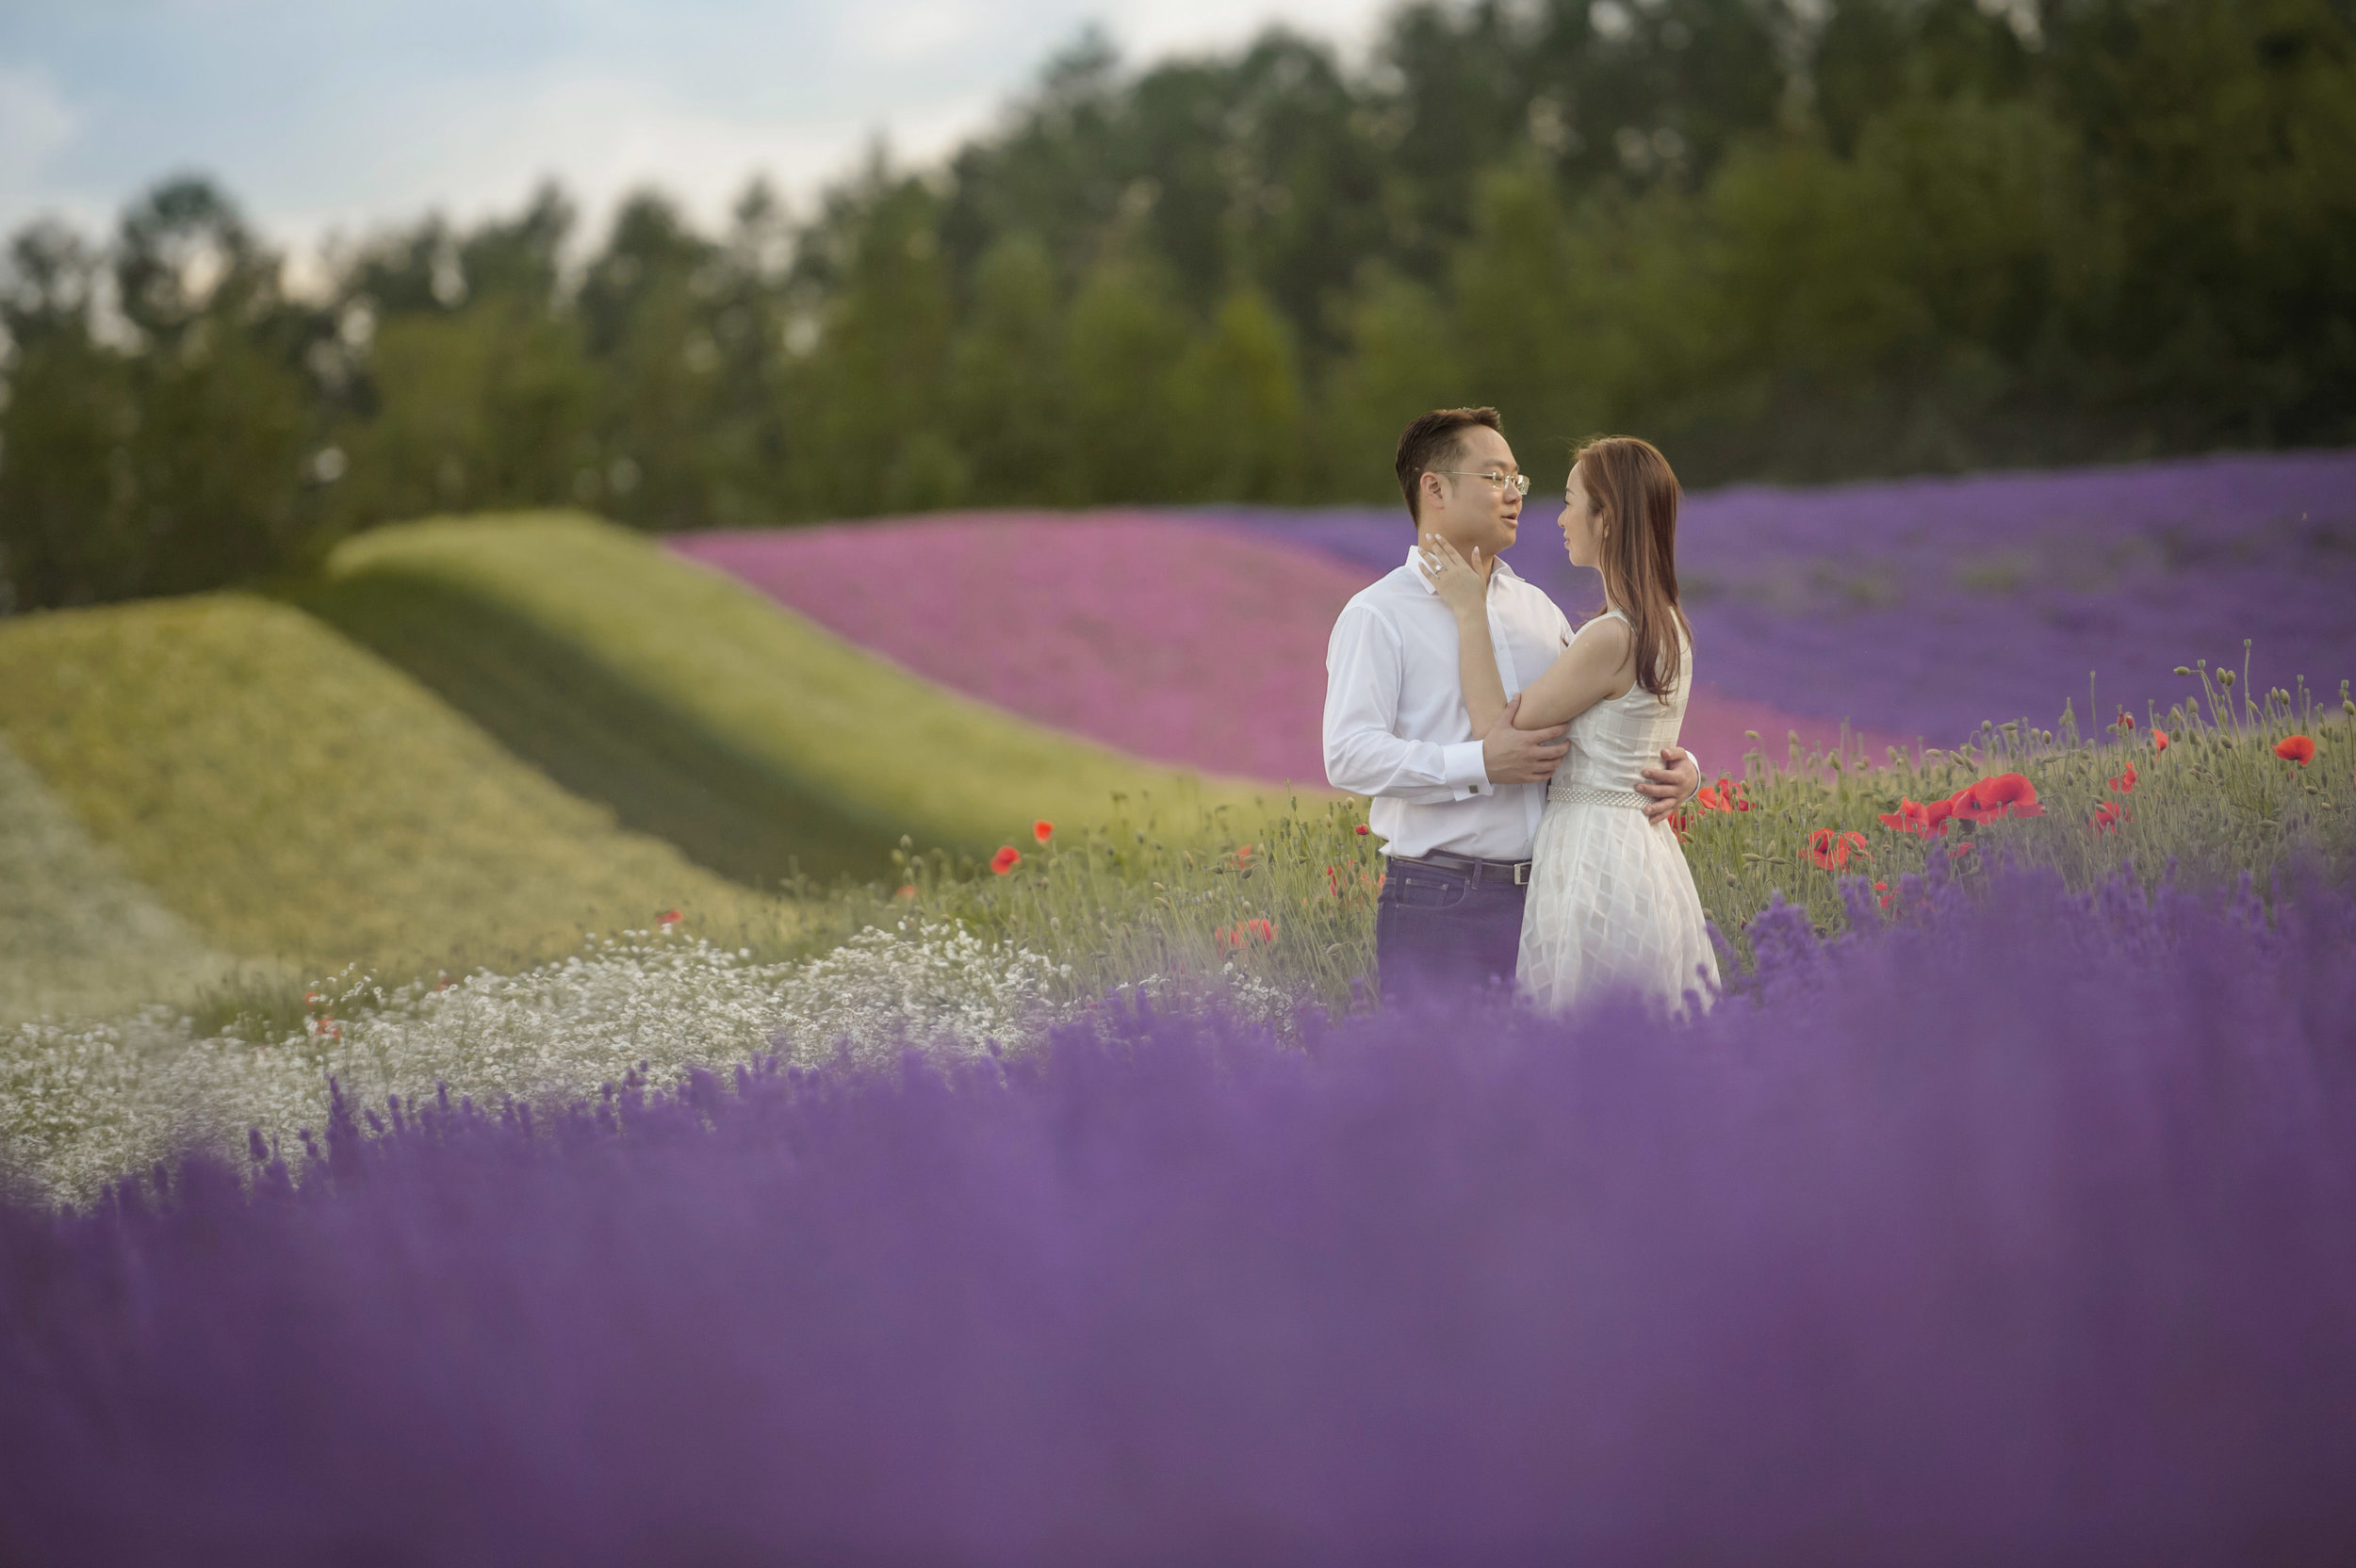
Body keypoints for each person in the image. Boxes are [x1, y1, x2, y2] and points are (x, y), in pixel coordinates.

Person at [1322, 409, 1700, 1003]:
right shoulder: (1378, 614)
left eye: (1518, 480)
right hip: (1442, 901)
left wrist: (1680, 766)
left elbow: (1600, 716)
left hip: (1551, 896)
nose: (1516, 495)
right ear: (1435, 487)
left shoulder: (1538, 611)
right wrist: (1477, 763)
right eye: (1495, 477)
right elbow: (1348, 755)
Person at [1419, 434, 1719, 1015]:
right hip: (1645, 854)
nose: (1559, 518)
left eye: (1571, 500)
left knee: (1587, 1034)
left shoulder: (1611, 636)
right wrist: (1694, 771)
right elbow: (1638, 739)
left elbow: (1493, 731)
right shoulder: (1671, 627)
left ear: (1606, 517)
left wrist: (1468, 609)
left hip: (1595, 856)